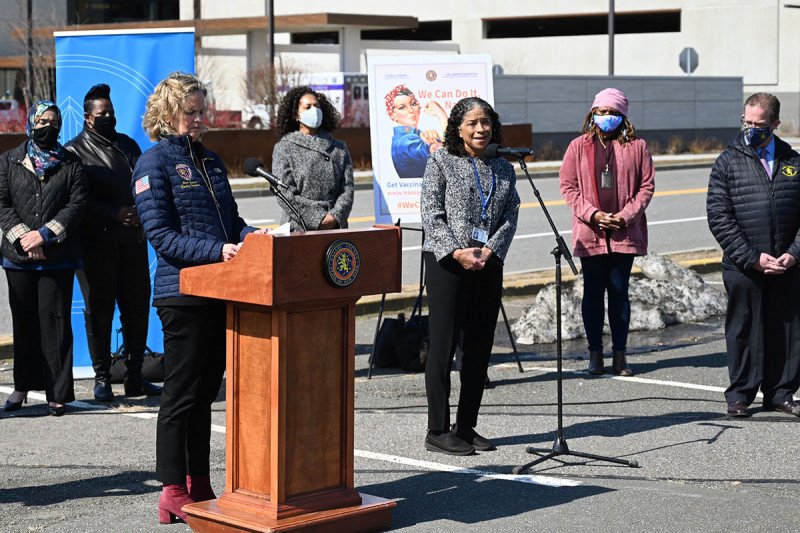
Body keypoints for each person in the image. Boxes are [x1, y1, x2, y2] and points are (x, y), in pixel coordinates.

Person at [132, 72, 266, 523]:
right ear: (168, 114)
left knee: (206, 393)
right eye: (190, 112)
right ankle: (172, 488)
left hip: (221, 291)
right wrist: (219, 250)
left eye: (201, 111)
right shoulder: (153, 163)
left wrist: (252, 238)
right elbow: (162, 237)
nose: (199, 119)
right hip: (182, 295)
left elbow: (231, 221)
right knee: (181, 394)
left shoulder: (209, 161)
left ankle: (201, 482)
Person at [420, 97, 520, 455]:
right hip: (447, 262)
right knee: (443, 346)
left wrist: (491, 249)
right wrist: (457, 251)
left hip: (487, 263)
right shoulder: (441, 160)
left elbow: (511, 212)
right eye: (473, 123)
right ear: (458, 129)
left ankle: (465, 426)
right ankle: (437, 429)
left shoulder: (504, 168)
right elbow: (431, 213)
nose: (481, 129)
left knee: (478, 348)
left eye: (486, 122)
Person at [65, 83, 161, 402]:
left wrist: (139, 209)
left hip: (133, 241)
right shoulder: (74, 151)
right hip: (97, 246)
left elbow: (144, 182)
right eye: (102, 113)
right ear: (88, 117)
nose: (109, 116)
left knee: (136, 309)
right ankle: (103, 377)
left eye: (112, 111)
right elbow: (76, 201)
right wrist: (113, 213)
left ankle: (135, 377)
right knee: (100, 311)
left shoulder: (128, 144)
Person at [707, 92, 800, 418]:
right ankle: (740, 395)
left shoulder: (793, 161)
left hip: (786, 266)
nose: (750, 129)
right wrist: (751, 257)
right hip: (744, 266)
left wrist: (793, 254)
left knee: (787, 331)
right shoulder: (728, 161)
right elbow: (719, 216)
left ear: (774, 124)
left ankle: (780, 392)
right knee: (744, 330)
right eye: (746, 122)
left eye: (758, 124)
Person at [0, 101, 87, 416]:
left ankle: (58, 392)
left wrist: (45, 235)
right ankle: (21, 386)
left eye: (54, 121)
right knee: (24, 324)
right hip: (18, 258)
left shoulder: (71, 163)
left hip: (58, 258)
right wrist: (26, 238)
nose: (48, 126)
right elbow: (2, 204)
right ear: (31, 123)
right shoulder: (9, 161)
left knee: (56, 325)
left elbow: (77, 205)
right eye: (42, 121)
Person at [559, 88, 655, 377]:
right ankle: (595, 354)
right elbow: (568, 186)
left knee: (619, 293)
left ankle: (620, 355)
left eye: (613, 112)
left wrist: (625, 217)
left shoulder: (637, 146)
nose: (607, 116)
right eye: (602, 111)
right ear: (592, 113)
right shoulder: (578, 146)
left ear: (623, 116)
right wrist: (593, 214)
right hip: (591, 234)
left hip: (625, 232)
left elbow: (646, 186)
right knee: (592, 294)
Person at [271, 86, 354, 231]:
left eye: (317, 106)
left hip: (334, 227)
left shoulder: (339, 148)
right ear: (296, 115)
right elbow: (285, 192)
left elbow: (347, 188)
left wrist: (335, 216)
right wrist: (318, 218)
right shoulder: (284, 147)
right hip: (298, 227)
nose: (314, 111)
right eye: (307, 107)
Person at [384, 84, 448, 178]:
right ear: (393, 115)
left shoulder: (417, 135)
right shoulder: (405, 142)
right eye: (402, 107)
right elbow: (449, 152)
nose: (411, 110)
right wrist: (440, 112)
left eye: (413, 104)